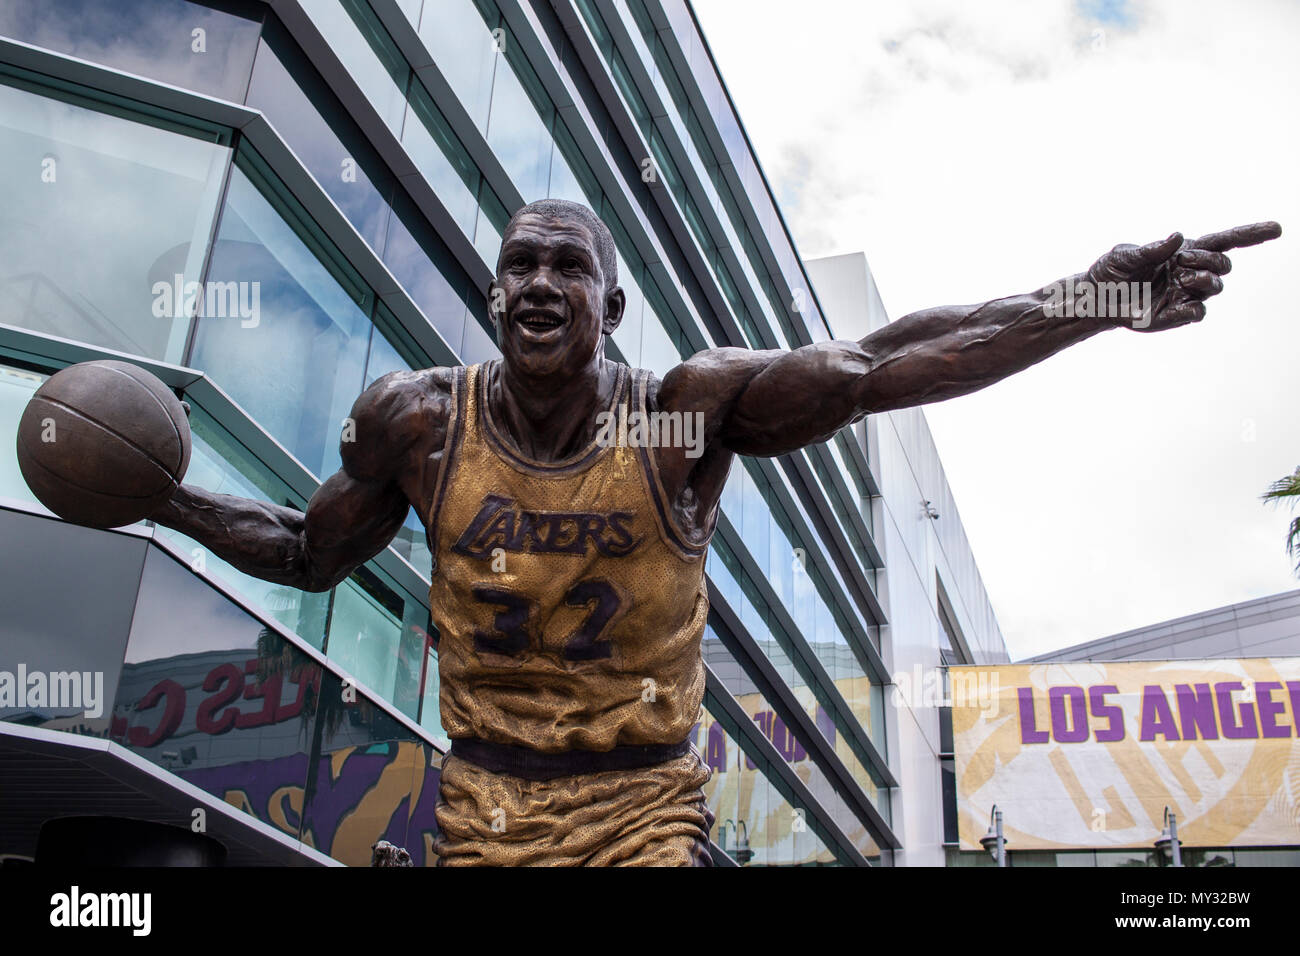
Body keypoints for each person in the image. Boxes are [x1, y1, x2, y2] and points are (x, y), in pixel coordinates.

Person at [154, 198, 1279, 865]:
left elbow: (878, 364)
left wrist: (1084, 300)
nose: (541, 283)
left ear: (613, 305)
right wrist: (164, 498)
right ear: (494, 296)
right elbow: (307, 552)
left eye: (570, 267)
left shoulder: (678, 419)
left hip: (641, 803)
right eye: (521, 266)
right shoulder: (419, 425)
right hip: (483, 804)